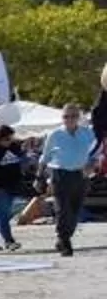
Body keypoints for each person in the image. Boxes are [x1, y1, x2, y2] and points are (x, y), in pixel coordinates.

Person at [52, 105, 96, 256]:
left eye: (73, 116)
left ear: (78, 117)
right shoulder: (55, 134)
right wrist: (39, 178)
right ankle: (64, 241)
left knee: (75, 211)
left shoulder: (88, 133)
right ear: (62, 118)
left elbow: (97, 153)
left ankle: (64, 237)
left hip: (81, 175)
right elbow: (44, 157)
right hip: (60, 174)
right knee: (63, 209)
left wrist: (92, 164)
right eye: (66, 116)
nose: (69, 119)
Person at [0, 125, 30, 252]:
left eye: (11, 138)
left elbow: (20, 160)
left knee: (3, 214)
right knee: (3, 214)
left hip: (12, 185)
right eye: (7, 139)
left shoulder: (14, 147)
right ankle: (9, 241)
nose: (10, 141)